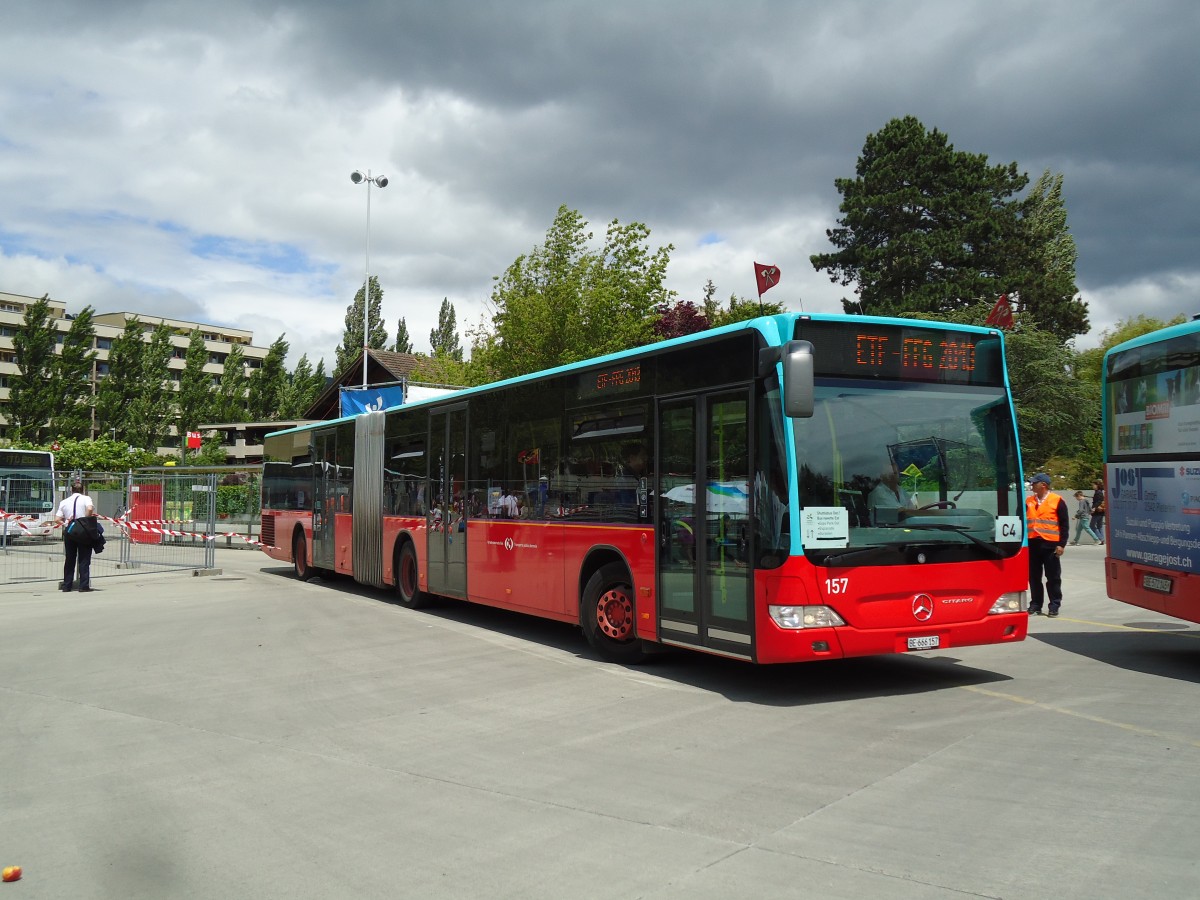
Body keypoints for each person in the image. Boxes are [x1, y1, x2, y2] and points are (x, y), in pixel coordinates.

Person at [1026, 473, 1069, 616]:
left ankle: (1054, 604)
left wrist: (1061, 544)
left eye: (1034, 483)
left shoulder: (1057, 501)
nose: (1032, 485)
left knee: (1053, 577)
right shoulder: (1029, 501)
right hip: (1032, 544)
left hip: (1050, 545)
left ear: (1043, 485)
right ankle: (1036, 604)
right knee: (1034, 577)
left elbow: (1064, 525)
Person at [56, 478, 97, 592]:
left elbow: (57, 519)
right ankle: (83, 585)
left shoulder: (64, 502)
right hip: (83, 531)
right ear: (83, 490)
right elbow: (89, 508)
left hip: (70, 531)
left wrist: (65, 523)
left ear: (71, 490)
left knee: (70, 558)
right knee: (84, 559)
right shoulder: (86, 498)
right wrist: (85, 519)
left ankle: (67, 585)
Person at [1090, 479, 1106, 545]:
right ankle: (1102, 540)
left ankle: (1100, 538)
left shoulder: (1098, 492)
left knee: (1091, 525)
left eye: (1094, 485)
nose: (1093, 486)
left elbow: (1099, 501)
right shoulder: (1100, 492)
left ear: (1097, 485)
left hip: (1097, 511)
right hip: (1101, 512)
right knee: (1100, 526)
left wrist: (1094, 508)